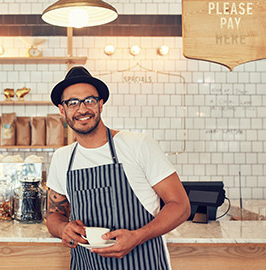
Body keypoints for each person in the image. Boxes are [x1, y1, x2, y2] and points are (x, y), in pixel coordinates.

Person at [46, 66, 191, 270]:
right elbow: (53, 216)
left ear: (101, 104)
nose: (82, 109)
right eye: (72, 103)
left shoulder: (138, 145)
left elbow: (181, 206)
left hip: (142, 263)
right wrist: (63, 229)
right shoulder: (62, 158)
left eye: (89, 100)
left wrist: (137, 237)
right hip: (87, 265)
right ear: (62, 110)